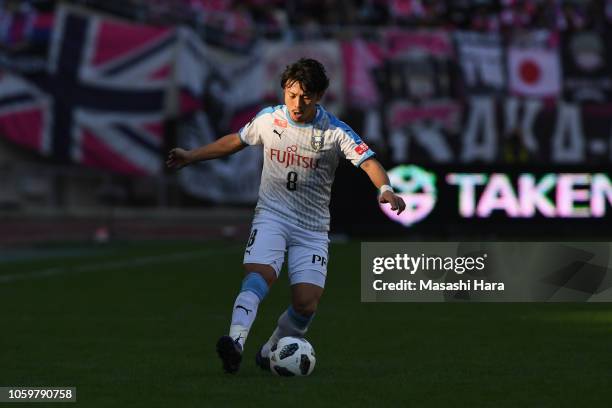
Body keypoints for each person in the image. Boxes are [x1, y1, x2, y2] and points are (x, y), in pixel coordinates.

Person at [166, 58, 406, 374]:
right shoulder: (270, 120)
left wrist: (385, 189)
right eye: (291, 94)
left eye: (305, 96)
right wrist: (192, 155)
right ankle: (235, 342)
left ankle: (268, 352)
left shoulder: (334, 131)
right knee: (258, 276)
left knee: (306, 303)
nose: (296, 102)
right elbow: (235, 141)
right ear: (284, 91)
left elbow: (369, 162)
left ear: (319, 96)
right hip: (273, 216)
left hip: (313, 227)